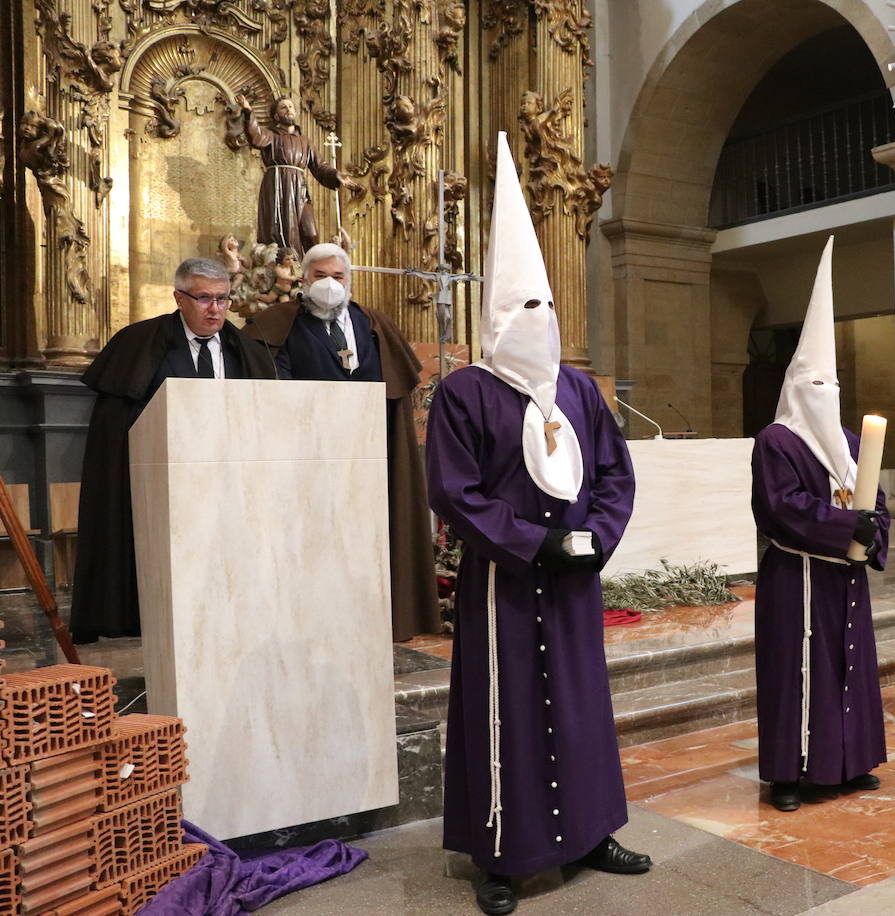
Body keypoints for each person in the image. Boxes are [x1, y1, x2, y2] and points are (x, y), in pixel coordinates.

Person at [425, 133, 648, 916]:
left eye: (548, 305)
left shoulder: (580, 393)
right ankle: (497, 849)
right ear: (496, 314)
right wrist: (531, 543)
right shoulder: (466, 395)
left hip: (575, 581)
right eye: (526, 307)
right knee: (504, 707)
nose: (541, 318)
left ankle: (591, 831)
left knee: (583, 702)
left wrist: (596, 542)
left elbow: (616, 473)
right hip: (506, 584)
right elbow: (453, 491)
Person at [751, 237, 889, 813]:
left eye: (832, 385)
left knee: (848, 665)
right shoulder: (775, 441)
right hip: (797, 575)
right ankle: (791, 772)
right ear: (794, 386)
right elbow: (781, 506)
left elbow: (873, 490)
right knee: (796, 669)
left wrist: (871, 524)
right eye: (815, 385)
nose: (826, 393)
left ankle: (848, 762)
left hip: (842, 576)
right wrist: (845, 524)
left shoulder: (852, 442)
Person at [70, 258, 276, 643]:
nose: (215, 308)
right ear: (179, 298)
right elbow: (117, 426)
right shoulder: (137, 345)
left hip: (225, 478)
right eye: (203, 299)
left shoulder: (244, 351)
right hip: (161, 481)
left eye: (222, 299)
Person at [243, 243, 440, 642]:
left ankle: (373, 617)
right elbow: (271, 388)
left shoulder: (374, 325)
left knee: (369, 545)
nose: (330, 284)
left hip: (370, 458)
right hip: (305, 460)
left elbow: (392, 388)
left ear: (349, 280)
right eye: (320, 276)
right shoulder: (277, 325)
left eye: (338, 276)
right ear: (303, 277)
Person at [233, 95, 360, 256]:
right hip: (278, 186)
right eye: (284, 107)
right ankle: (288, 267)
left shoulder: (304, 141)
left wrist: (337, 175)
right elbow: (255, 136)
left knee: (310, 232)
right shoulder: (271, 135)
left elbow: (320, 167)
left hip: (299, 189)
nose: (289, 110)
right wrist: (247, 109)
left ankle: (308, 265)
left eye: (291, 107)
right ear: (276, 115)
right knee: (282, 231)